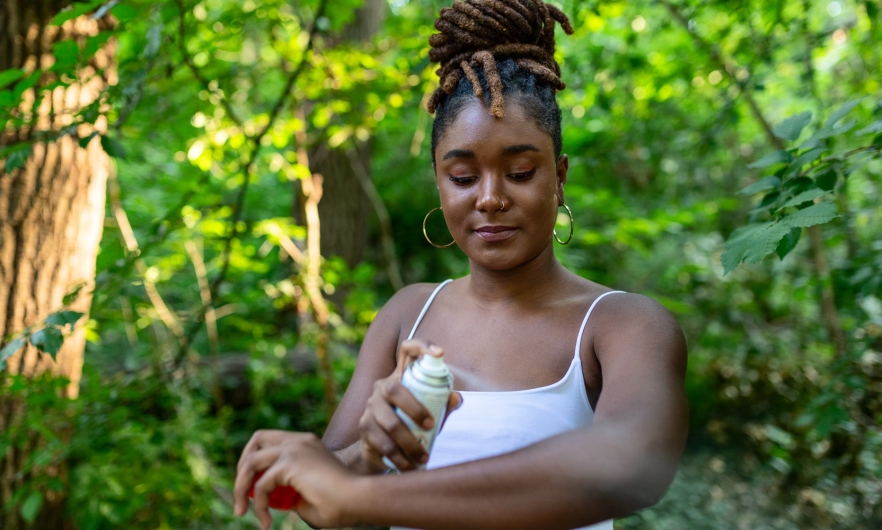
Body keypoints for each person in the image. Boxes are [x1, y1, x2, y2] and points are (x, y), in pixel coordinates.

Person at [233, 1, 688, 529]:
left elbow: (633, 465)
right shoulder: (408, 313)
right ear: (439, 182)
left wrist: (360, 496)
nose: (490, 198)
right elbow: (328, 500)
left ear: (559, 176)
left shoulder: (624, 325)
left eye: (520, 172)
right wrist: (368, 458)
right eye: (464, 178)